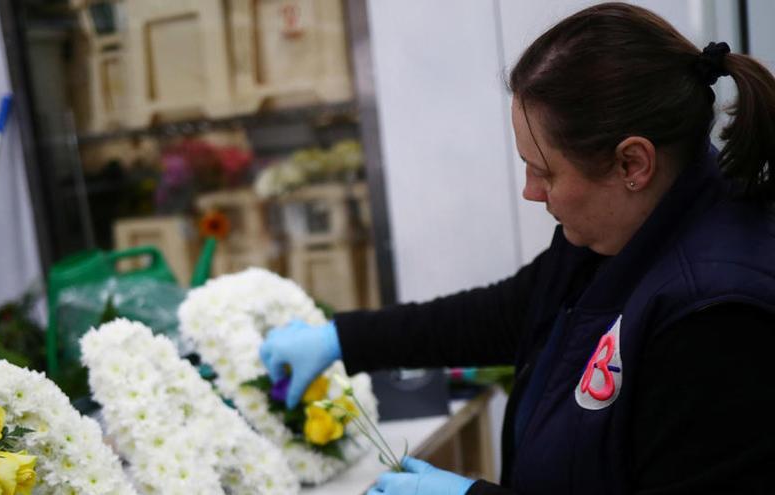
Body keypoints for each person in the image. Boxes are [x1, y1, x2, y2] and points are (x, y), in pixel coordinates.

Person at [260, 3, 775, 494]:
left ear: (632, 164)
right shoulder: (617, 234)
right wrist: (341, 338)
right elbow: (509, 313)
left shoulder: (718, 317)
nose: (531, 191)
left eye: (545, 171)